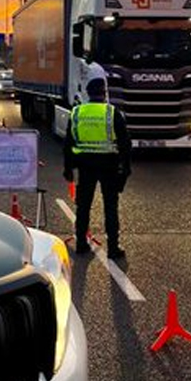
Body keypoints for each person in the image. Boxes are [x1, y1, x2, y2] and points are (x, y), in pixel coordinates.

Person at [63, 77, 131, 259]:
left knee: (83, 206)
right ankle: (113, 247)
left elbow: (68, 142)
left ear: (88, 93)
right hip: (109, 166)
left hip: (85, 166)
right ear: (105, 93)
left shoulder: (77, 112)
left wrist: (68, 168)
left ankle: (81, 243)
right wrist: (125, 169)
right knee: (110, 206)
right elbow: (125, 144)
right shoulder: (112, 113)